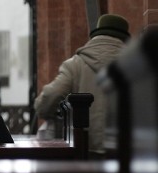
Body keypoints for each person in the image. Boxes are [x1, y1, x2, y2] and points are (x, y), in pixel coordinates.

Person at [34, 14, 130, 152]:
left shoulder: (75, 65)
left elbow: (49, 98)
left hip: (84, 152)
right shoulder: (138, 67)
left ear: (96, 35)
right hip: (124, 155)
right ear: (125, 39)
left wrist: (46, 112)